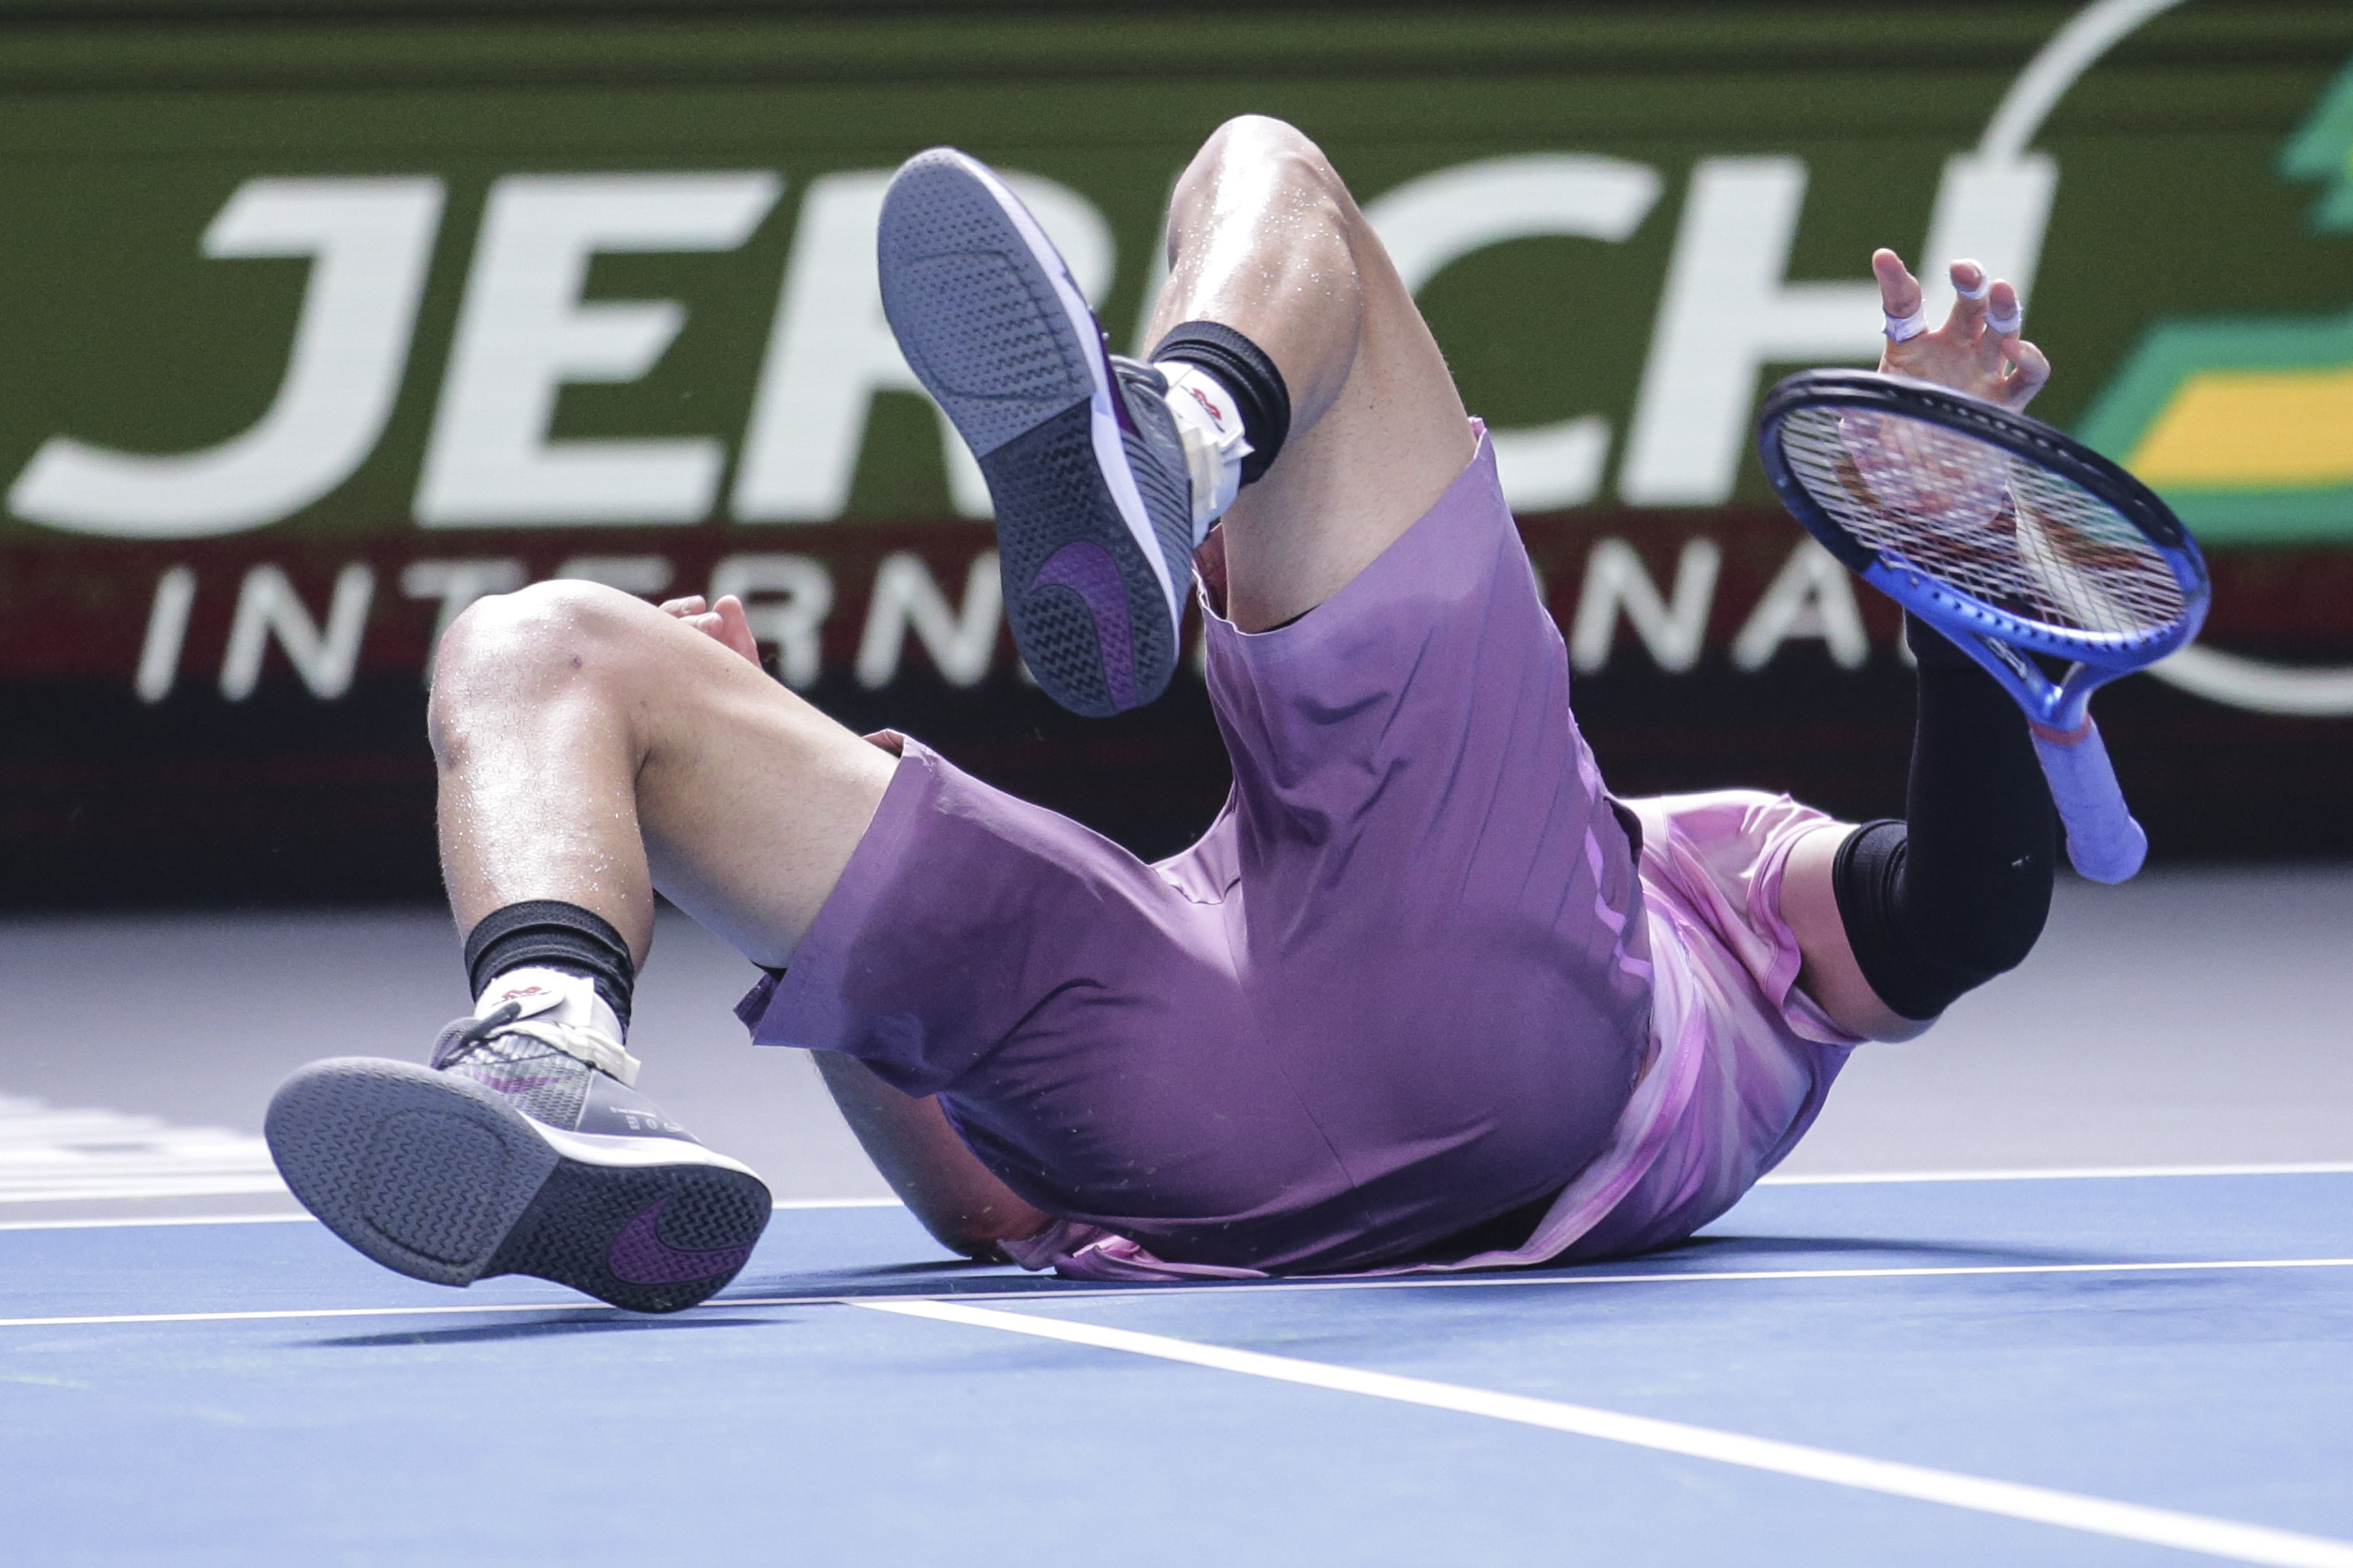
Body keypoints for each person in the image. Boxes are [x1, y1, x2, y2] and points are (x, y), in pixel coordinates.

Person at [265, 118, 2061, 1311]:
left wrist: (1948, 549)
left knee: (1259, 170)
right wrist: (792, 889)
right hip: (1252, 1100)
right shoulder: (1681, 869)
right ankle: (551, 1046)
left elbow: (1951, 906)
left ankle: (1185, 436)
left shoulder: (1688, 867)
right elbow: (992, 1212)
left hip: (1358, 1077)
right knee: (544, 648)